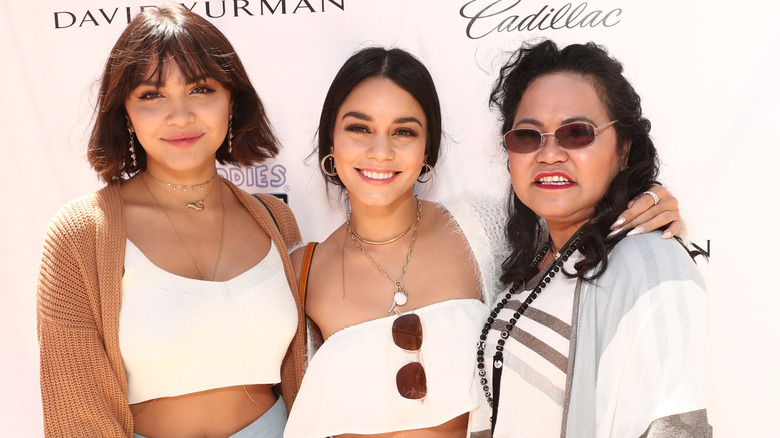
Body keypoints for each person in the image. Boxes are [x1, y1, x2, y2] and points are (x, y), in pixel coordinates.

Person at [283, 47, 681, 438]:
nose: (380, 151)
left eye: (404, 131)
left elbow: (575, 240)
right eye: (359, 128)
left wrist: (645, 196)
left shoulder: (481, 226)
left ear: (428, 150)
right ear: (330, 142)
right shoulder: (301, 269)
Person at [36, 6, 305, 437]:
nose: (179, 116)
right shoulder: (82, 234)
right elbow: (76, 404)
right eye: (151, 95)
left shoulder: (276, 219)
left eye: (200, 89)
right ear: (124, 111)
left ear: (231, 99)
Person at [470, 40, 711, 437]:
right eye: (528, 136)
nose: (549, 154)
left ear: (624, 149)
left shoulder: (651, 267)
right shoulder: (534, 261)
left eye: (576, 133)